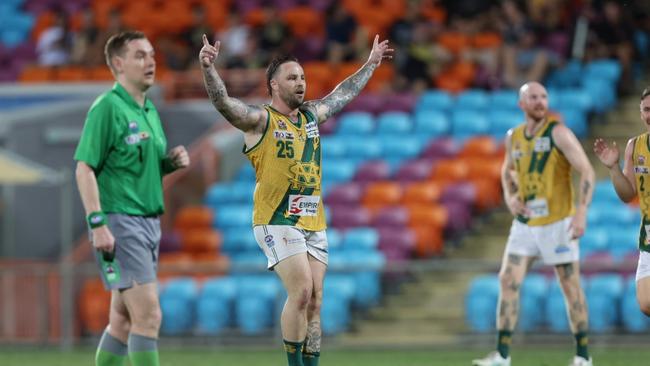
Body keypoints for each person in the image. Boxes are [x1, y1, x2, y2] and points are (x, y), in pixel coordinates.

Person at [199, 33, 392, 366]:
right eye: (292, 77)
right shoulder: (260, 121)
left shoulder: (311, 116)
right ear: (274, 84)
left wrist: (370, 65)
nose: (301, 82)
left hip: (312, 219)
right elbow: (223, 103)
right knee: (301, 291)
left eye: (302, 77)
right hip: (276, 219)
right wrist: (208, 68)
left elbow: (342, 94)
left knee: (316, 301)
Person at [74, 31, 190, 366]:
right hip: (121, 222)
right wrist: (97, 224)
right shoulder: (107, 108)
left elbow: (135, 169)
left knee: (123, 321)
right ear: (118, 64)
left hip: (148, 222)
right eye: (140, 55)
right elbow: (84, 169)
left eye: (152, 54)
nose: (150, 61)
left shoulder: (150, 110)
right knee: (149, 316)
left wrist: (167, 164)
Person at [472, 82, 595, 366]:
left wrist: (582, 212)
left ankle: (583, 357)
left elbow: (587, 170)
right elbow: (507, 171)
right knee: (507, 280)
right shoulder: (513, 137)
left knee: (570, 287)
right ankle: (502, 356)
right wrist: (510, 197)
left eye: (543, 97)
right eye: (533, 97)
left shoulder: (559, 132)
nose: (540, 101)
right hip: (526, 223)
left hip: (557, 223)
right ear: (521, 104)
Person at [593, 87, 650, 316]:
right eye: (646, 109)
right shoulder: (634, 147)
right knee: (646, 303)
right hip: (648, 237)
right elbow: (628, 194)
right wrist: (614, 168)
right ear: (640, 113)